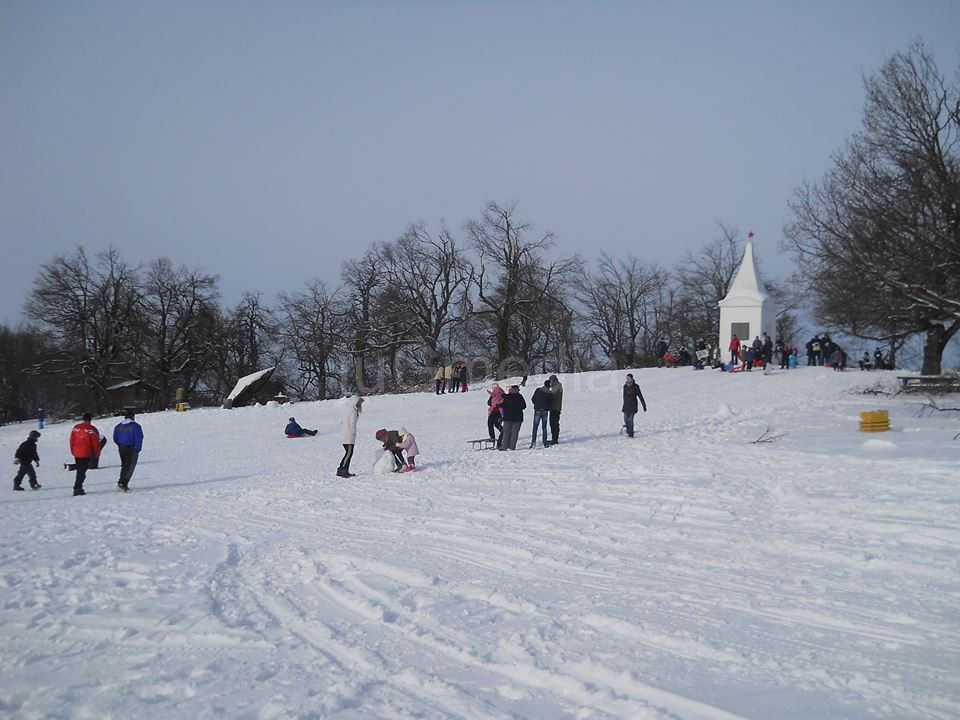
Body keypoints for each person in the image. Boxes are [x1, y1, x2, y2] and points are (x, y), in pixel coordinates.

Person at [69, 413, 101, 496]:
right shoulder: (92, 429)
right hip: (86, 452)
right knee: (82, 471)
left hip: (76, 451)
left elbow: (71, 440)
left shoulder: (76, 427)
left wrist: (72, 450)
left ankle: (78, 486)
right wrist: (97, 453)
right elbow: (96, 442)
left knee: (80, 468)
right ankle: (77, 487)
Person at [113, 410, 144, 492]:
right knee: (130, 466)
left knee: (124, 465)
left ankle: (121, 481)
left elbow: (115, 438)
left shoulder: (118, 426)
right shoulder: (135, 426)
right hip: (131, 447)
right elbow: (139, 438)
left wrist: (120, 444)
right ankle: (123, 483)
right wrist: (138, 449)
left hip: (121, 447)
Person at [337, 396, 363, 477]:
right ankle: (343, 470)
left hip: (344, 434)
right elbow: (352, 424)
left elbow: (342, 421)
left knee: (347, 453)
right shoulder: (353, 411)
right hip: (349, 435)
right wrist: (353, 433)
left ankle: (341, 469)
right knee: (349, 453)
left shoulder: (347, 409)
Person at [499, 385, 526, 451]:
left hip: (508, 417)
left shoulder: (507, 397)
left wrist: (498, 405)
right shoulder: (520, 397)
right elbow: (524, 406)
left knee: (506, 432)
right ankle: (512, 447)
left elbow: (504, 405)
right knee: (515, 433)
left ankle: (504, 446)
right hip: (518, 417)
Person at [621, 373, 647, 438]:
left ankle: (631, 434)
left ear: (632, 378)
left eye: (628, 378)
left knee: (630, 420)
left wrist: (644, 405)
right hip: (626, 406)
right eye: (626, 378)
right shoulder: (625, 386)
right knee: (626, 419)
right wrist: (623, 405)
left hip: (633, 405)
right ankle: (628, 429)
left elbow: (640, 396)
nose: (627, 379)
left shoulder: (636, 386)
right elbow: (624, 397)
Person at [529, 379, 552, 448]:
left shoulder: (538, 390)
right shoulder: (549, 393)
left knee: (535, 427)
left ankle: (533, 442)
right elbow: (551, 402)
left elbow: (533, 399)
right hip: (545, 410)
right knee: (544, 427)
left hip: (537, 409)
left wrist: (536, 404)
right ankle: (545, 442)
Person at [547, 374, 563, 445]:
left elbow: (553, 396)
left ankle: (555, 439)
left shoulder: (557, 386)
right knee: (553, 424)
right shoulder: (556, 386)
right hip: (554, 408)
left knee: (554, 424)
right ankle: (554, 438)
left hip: (555, 408)